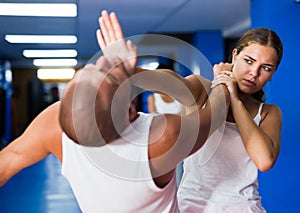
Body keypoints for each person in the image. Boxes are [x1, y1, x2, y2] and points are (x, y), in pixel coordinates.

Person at [0, 10, 230, 213]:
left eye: (90, 68)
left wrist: (125, 74)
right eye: (108, 74)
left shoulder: (56, 123)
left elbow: (7, 161)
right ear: (130, 112)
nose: (101, 62)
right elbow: (213, 108)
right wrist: (223, 79)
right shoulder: (161, 138)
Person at [177, 28, 283, 212]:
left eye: (265, 68)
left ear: (273, 73)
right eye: (249, 61)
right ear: (235, 56)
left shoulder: (268, 112)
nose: (254, 73)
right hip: (192, 206)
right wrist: (134, 73)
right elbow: (173, 85)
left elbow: (264, 161)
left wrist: (234, 97)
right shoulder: (202, 88)